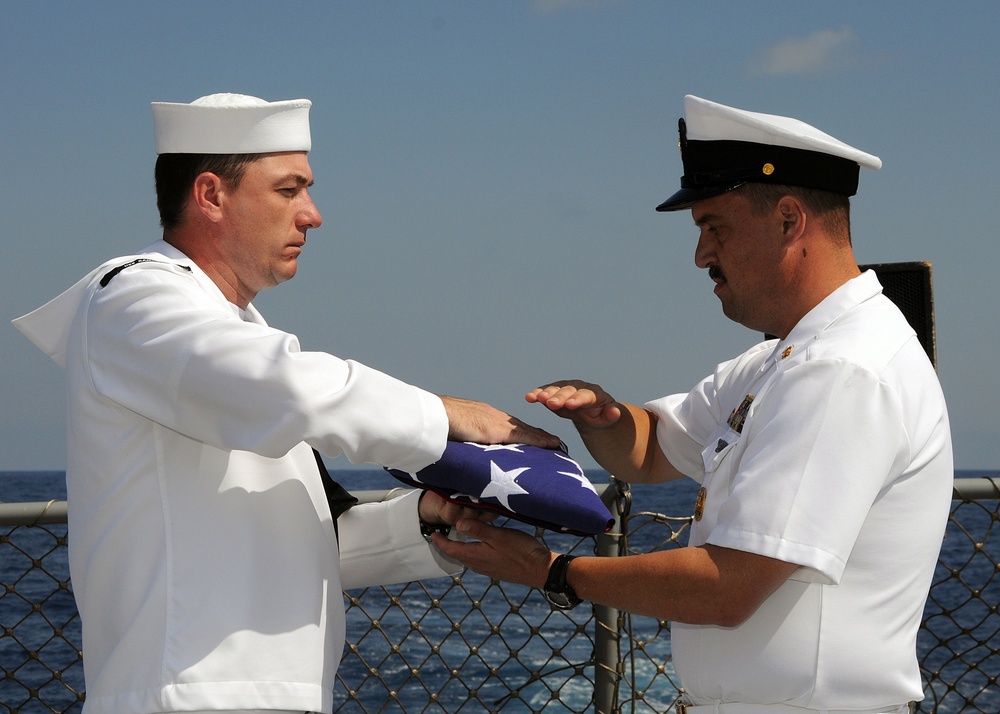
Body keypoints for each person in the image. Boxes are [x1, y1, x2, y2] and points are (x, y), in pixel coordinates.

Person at [12, 92, 559, 714]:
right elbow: (290, 387)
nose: (313, 214)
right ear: (211, 195)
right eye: (288, 189)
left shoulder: (241, 342)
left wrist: (427, 518)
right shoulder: (133, 296)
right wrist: (449, 417)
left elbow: (311, 539)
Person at [435, 95, 953, 714]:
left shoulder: (841, 370)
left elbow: (729, 587)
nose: (702, 255)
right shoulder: (783, 361)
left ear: (789, 220)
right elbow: (653, 448)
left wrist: (551, 572)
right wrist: (605, 416)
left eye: (716, 227)